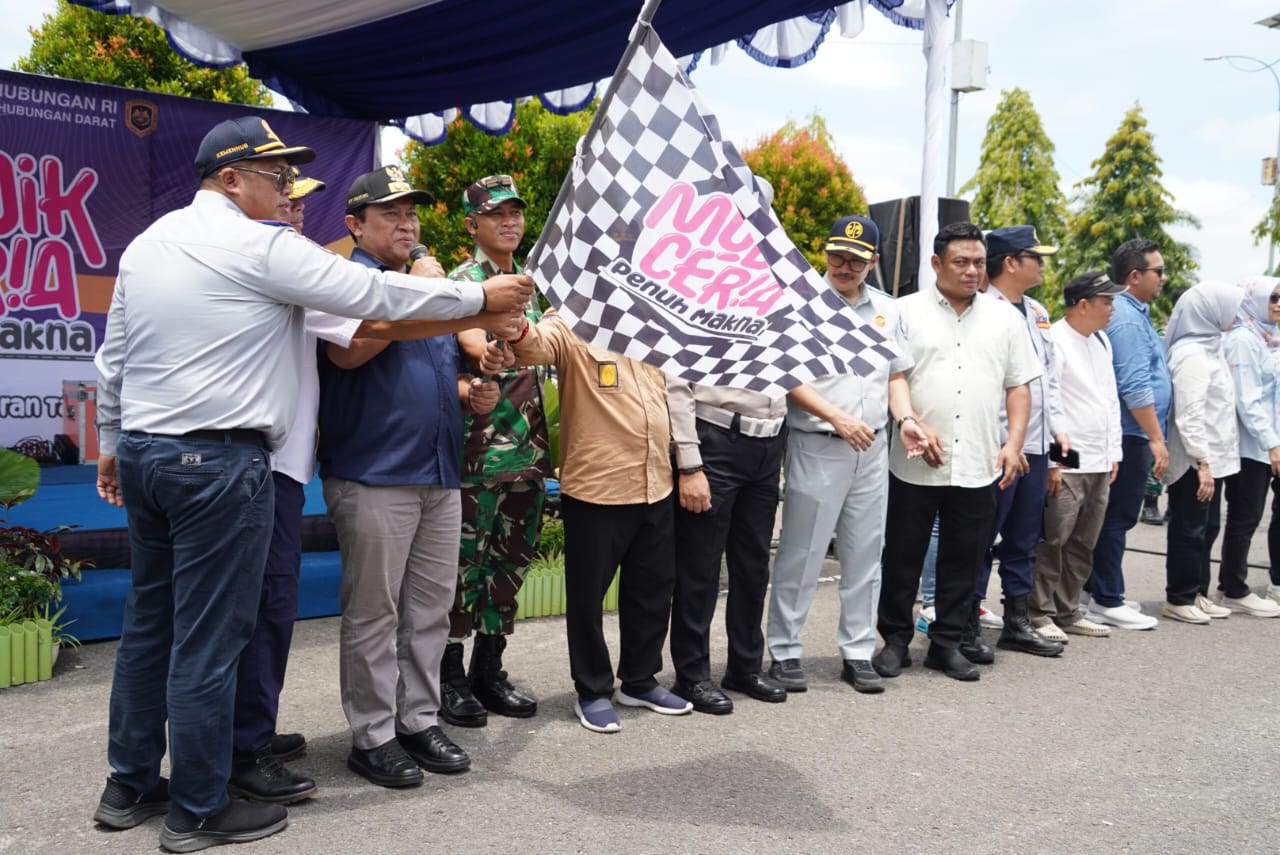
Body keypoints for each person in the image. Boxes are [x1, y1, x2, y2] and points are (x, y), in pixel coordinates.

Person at [92, 117, 532, 852]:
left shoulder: (150, 242)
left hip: (146, 450)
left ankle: (129, 782)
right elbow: (372, 296)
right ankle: (198, 809)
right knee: (210, 638)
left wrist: (110, 442)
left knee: (150, 629)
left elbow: (114, 357)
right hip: (218, 462)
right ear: (230, 179)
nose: (286, 188)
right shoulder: (261, 246)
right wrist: (479, 298)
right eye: (273, 174)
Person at [316, 167, 518, 788]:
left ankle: (418, 718)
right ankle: (373, 735)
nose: (407, 225)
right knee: (374, 612)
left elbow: (431, 374)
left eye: (412, 215)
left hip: (438, 470)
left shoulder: (421, 286)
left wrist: (470, 389)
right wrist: (431, 297)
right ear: (355, 225)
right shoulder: (344, 280)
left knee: (431, 607)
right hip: (374, 473)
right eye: (391, 216)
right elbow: (350, 351)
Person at [765, 215, 928, 695]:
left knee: (864, 555)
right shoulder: (801, 303)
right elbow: (786, 376)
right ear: (825, 251)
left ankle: (857, 651)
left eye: (856, 260)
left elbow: (895, 375)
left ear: (873, 261)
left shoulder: (887, 310)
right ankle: (785, 650)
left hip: (873, 447)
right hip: (820, 442)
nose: (844, 266)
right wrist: (837, 417)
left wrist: (907, 420)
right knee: (802, 552)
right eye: (837, 255)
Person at [507, 313, 692, 733]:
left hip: (654, 481)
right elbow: (533, 345)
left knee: (652, 589)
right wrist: (514, 323)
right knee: (588, 598)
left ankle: (640, 681)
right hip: (597, 486)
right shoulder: (572, 322)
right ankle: (592, 690)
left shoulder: (651, 326)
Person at [874, 222, 1041, 682]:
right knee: (903, 556)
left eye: (978, 263)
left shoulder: (1006, 318)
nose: (971, 271)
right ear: (935, 264)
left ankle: (947, 643)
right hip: (914, 461)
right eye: (960, 262)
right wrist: (908, 420)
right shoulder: (904, 312)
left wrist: (1013, 444)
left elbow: (1019, 387)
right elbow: (894, 376)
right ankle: (894, 640)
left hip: (979, 462)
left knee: (964, 558)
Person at [442, 175, 551, 727]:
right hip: (477, 456)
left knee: (509, 564)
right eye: (495, 213)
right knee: (465, 567)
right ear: (472, 224)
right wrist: (494, 340)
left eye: (515, 212)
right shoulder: (465, 281)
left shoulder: (532, 286)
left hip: (526, 455)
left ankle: (490, 669)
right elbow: (478, 344)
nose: (509, 221)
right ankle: (449, 677)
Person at [973, 226, 1066, 659]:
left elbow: (1049, 381)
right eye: (1036, 256)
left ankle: (1017, 622)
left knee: (1025, 539)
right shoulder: (982, 310)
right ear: (1011, 262)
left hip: (1034, 445)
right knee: (979, 536)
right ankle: (965, 621)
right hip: (995, 445)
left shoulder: (1037, 311)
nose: (1042, 264)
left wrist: (1054, 448)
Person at [1030, 271, 1127, 640]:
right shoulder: (1054, 339)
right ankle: (1039, 613)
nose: (1112, 308)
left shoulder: (1100, 340)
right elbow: (1050, 404)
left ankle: (1068, 610)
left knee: (1084, 542)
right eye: (1106, 301)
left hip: (1099, 460)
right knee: (1053, 539)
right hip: (1069, 461)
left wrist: (1114, 452)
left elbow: (1109, 399)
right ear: (1083, 304)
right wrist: (1055, 462)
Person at [1083, 239, 1168, 631]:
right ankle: (1106, 596)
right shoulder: (1130, 320)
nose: (1164, 279)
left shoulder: (1136, 314)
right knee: (1116, 518)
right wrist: (1155, 437)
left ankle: (1095, 591)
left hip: (1131, 433)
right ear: (1134, 276)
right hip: (1131, 433)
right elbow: (1134, 386)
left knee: (1112, 517)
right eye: (1158, 271)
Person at [1160, 282, 1243, 623]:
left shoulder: (1212, 346)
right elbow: (1189, 414)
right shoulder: (1191, 354)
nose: (1236, 314)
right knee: (1189, 528)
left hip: (1212, 458)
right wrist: (1202, 462)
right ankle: (1178, 597)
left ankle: (1197, 592)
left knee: (1207, 528)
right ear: (1209, 311)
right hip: (1195, 460)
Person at [1222, 277, 1280, 614]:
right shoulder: (1244, 339)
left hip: (1265, 440)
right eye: (1271, 297)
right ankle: (1234, 588)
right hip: (1250, 443)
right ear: (1254, 299)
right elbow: (1247, 399)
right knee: (1244, 518)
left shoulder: (1266, 336)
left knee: (1251, 515)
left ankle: (1236, 584)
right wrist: (1272, 443)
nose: (1277, 303)